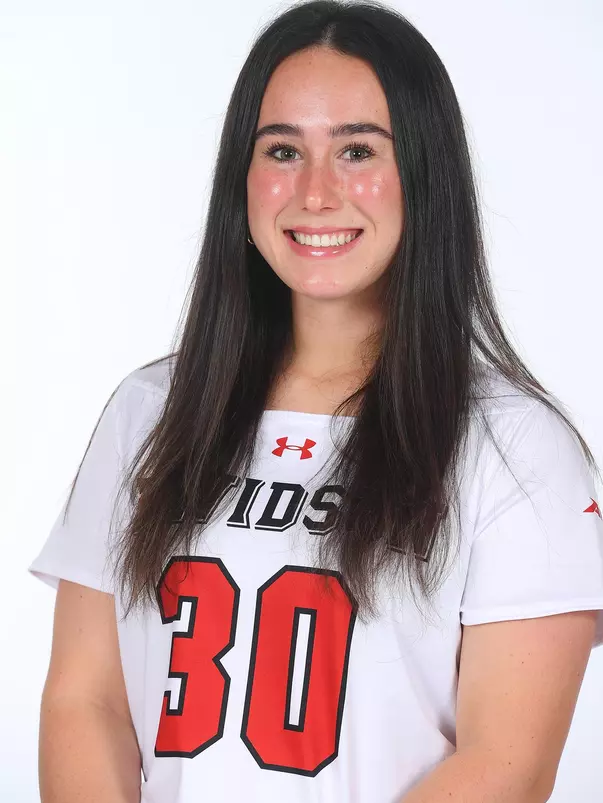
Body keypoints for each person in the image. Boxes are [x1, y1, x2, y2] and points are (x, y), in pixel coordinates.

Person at [28, 2, 603, 801]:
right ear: (242, 178)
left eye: (357, 150)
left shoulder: (514, 445)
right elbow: (85, 701)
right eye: (283, 151)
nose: (316, 192)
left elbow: (507, 763)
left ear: (424, 175)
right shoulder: (150, 411)